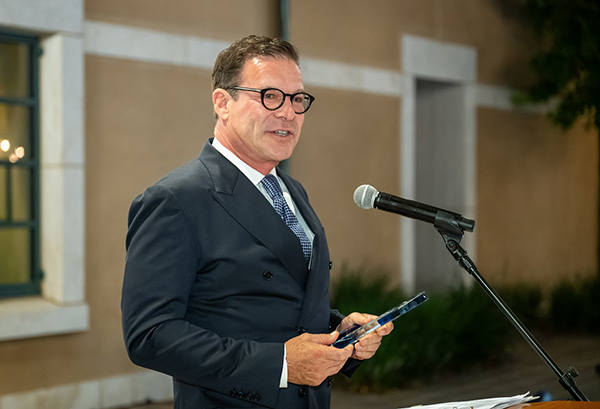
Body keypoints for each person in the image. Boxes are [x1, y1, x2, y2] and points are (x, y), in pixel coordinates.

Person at [121, 35, 393, 409]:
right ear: (222, 103)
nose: (288, 113)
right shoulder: (175, 200)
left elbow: (278, 303)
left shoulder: (291, 191)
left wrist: (339, 330)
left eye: (297, 99)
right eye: (270, 96)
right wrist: (280, 364)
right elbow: (149, 335)